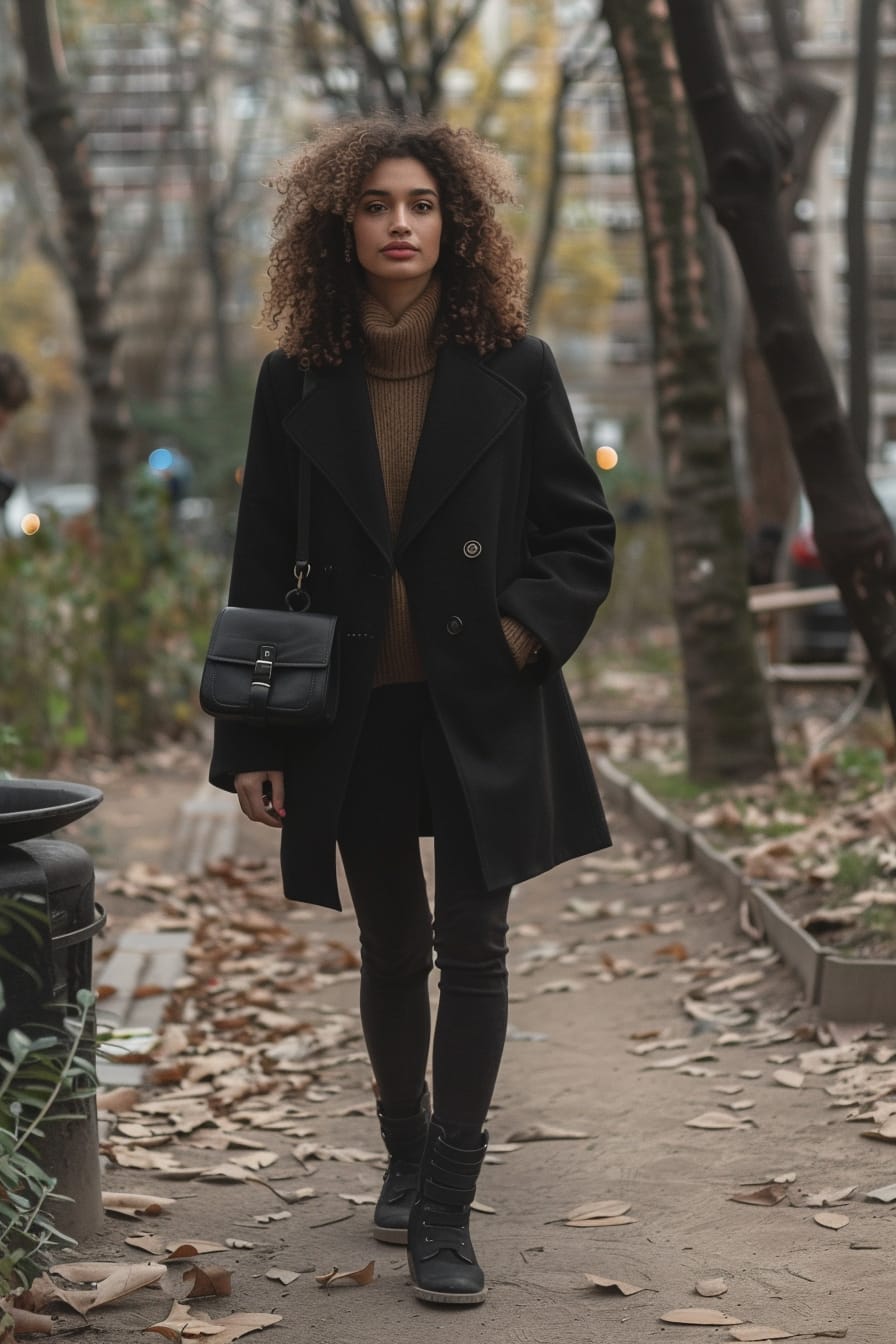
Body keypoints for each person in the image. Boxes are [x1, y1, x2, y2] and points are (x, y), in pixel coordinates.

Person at [209, 116, 615, 1308]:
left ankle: (446, 1204)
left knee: (473, 949)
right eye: (379, 204)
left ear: (456, 224)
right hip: (350, 712)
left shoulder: (516, 365)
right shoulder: (295, 379)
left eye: (423, 205)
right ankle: (398, 1153)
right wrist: (251, 743)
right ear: (341, 223)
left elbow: (578, 534)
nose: (401, 223)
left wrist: (515, 634)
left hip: (477, 702)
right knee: (389, 946)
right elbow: (257, 561)